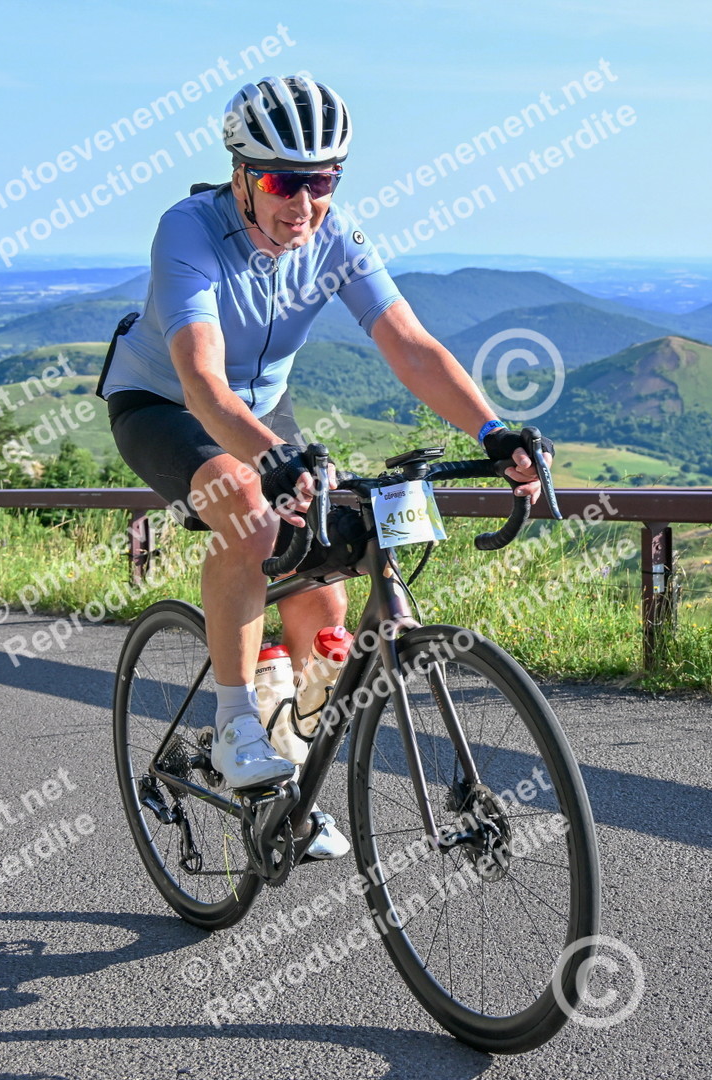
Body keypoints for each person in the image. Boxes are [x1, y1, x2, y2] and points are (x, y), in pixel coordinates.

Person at [101, 76, 553, 860]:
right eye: (284, 182)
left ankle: (286, 781)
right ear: (241, 175)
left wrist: (491, 430)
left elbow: (410, 345)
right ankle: (236, 724)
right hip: (165, 403)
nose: (304, 203)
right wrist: (267, 461)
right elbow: (203, 381)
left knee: (325, 598)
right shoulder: (189, 230)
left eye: (322, 181)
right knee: (250, 510)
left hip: (262, 412)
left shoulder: (336, 237)